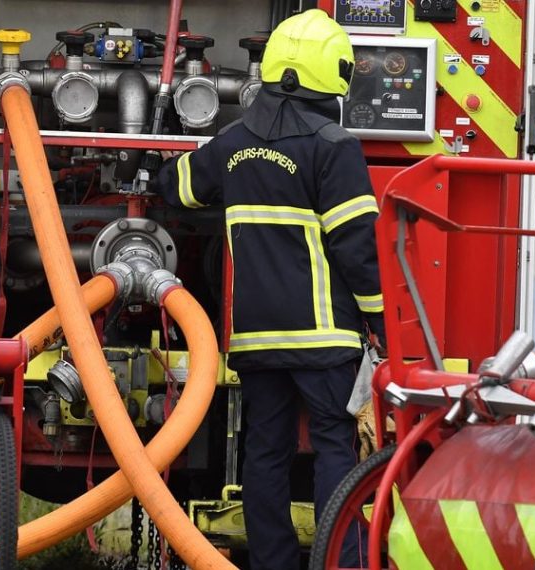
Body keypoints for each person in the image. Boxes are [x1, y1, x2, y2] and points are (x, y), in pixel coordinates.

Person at [154, 9, 383, 569]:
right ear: (335, 73)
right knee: (335, 447)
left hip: (256, 339)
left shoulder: (234, 142)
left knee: (265, 453)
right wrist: (378, 319)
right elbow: (356, 249)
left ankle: (272, 563)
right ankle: (339, 562)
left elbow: (176, 189)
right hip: (326, 337)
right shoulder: (334, 147)